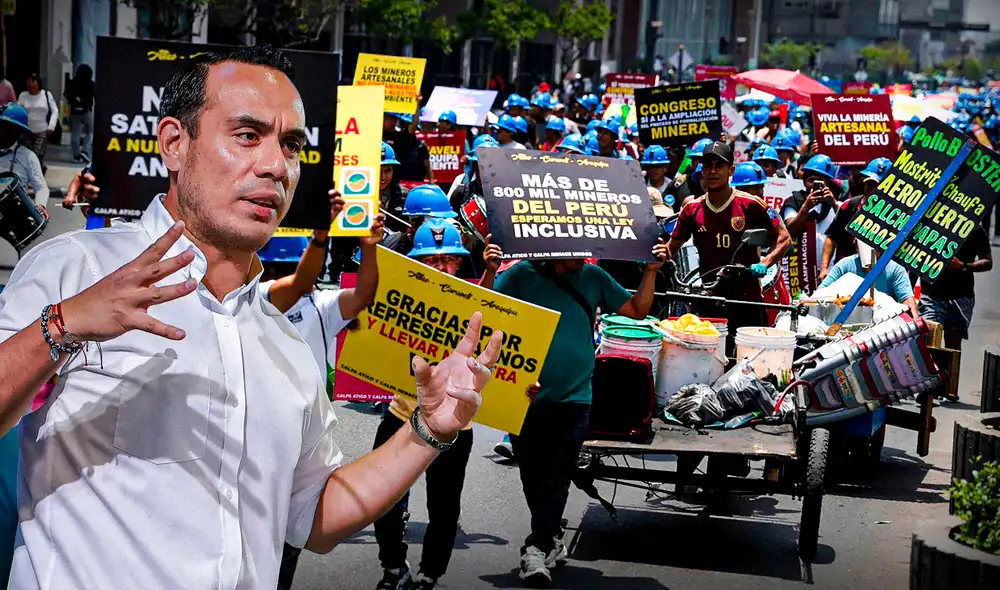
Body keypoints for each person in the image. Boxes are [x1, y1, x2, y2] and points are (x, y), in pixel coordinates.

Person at [0, 45, 503, 588]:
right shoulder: (74, 270)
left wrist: (427, 431)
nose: (275, 165)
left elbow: (315, 518)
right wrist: (63, 326)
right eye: (247, 134)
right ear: (174, 143)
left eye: (291, 145)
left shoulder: (285, 346)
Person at [484, 239, 668, 586]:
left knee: (557, 472)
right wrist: (491, 270)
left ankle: (535, 549)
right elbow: (484, 308)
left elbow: (637, 309)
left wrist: (651, 272)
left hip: (575, 397)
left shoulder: (594, 277)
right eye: (571, 248)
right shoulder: (520, 275)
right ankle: (550, 536)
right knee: (533, 474)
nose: (580, 254)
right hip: (523, 397)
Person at [373, 219, 481, 590]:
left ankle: (429, 574)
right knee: (382, 497)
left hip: (454, 426)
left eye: (449, 260)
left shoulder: (477, 308)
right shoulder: (399, 297)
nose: (441, 268)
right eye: (432, 260)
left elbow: (504, 366)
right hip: (401, 416)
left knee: (444, 506)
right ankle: (392, 567)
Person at [665, 142, 791, 354]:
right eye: (707, 166)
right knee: (707, 362)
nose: (712, 171)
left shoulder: (751, 204)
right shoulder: (690, 209)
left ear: (731, 170)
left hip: (748, 299)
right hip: (708, 300)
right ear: (701, 171)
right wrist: (654, 255)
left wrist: (765, 263)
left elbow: (784, 238)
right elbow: (671, 248)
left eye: (719, 165)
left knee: (751, 364)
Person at [918, 225, 992, 352]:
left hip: (960, 296)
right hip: (931, 295)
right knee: (927, 340)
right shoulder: (927, 222)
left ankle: (949, 372)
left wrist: (962, 266)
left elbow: (987, 262)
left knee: (952, 346)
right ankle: (929, 371)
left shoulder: (975, 229)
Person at [820, 157, 892, 281]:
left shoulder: (896, 215)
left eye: (878, 185)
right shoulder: (849, 206)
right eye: (870, 183)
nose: (872, 189)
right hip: (846, 274)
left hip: (881, 276)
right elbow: (832, 238)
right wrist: (824, 268)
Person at [819, 241, 919, 318]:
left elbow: (909, 305)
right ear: (856, 243)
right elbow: (819, 295)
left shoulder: (895, 269)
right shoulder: (845, 265)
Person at [782, 154, 840, 281]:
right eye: (811, 178)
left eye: (819, 179)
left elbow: (848, 228)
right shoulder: (793, 202)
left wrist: (834, 204)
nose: (814, 183)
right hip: (800, 274)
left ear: (828, 182)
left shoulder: (836, 204)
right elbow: (791, 230)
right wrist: (806, 206)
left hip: (829, 272)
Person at [0, 103, 50, 219]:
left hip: (12, 218)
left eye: (2, 126)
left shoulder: (28, 157)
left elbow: (41, 187)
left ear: (14, 131)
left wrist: (40, 205)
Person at [16, 73, 59, 172]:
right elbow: (18, 110)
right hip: (27, 131)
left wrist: (51, 126)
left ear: (38, 83)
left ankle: (36, 175)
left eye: (33, 81)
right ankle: (33, 175)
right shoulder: (23, 95)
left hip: (42, 130)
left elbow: (54, 110)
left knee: (37, 155)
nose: (30, 84)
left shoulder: (46, 95)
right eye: (28, 82)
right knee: (26, 156)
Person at [65, 64, 95, 163]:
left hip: (74, 112)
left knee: (75, 135)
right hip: (87, 111)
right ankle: (85, 151)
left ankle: (76, 155)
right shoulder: (91, 84)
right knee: (90, 132)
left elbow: (67, 95)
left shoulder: (72, 83)